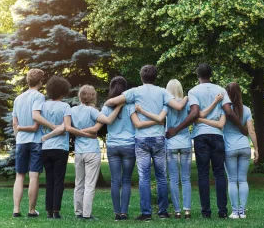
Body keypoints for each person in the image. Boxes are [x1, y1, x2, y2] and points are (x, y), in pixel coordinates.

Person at [105, 65, 188, 221]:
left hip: (141, 139)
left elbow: (111, 102)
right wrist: (187, 97)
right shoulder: (163, 92)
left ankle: (146, 213)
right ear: (155, 77)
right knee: (162, 176)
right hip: (158, 138)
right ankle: (163, 212)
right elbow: (178, 106)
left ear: (141, 77)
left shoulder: (134, 92)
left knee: (144, 177)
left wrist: (123, 102)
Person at [166, 63, 248, 219]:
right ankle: (223, 211)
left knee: (203, 174)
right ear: (211, 75)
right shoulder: (221, 90)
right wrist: (242, 128)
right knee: (219, 173)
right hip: (217, 135)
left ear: (198, 76)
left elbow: (195, 113)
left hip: (200, 136)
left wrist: (176, 129)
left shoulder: (193, 91)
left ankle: (206, 212)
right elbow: (229, 112)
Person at [81, 76, 159, 221]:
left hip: (112, 147)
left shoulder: (106, 107)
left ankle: (117, 213)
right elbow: (137, 124)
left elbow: (100, 124)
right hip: (129, 146)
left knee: (115, 181)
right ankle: (124, 212)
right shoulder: (130, 106)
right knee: (126, 180)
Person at [32, 76, 94, 219]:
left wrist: (47, 136)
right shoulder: (66, 107)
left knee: (49, 180)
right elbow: (66, 127)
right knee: (58, 180)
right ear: (63, 91)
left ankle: (48, 211)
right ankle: (56, 211)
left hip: (46, 148)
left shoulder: (43, 105)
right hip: (60, 148)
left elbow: (40, 121)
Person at [135, 79, 194, 219]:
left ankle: (177, 211)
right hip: (185, 142)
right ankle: (187, 211)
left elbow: (160, 119)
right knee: (186, 178)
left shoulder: (167, 104)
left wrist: (142, 111)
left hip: (171, 143)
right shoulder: (187, 103)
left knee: (173, 179)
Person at [65, 85, 123, 220]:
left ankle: (78, 212)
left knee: (79, 183)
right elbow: (108, 120)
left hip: (78, 151)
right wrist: (119, 107)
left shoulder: (72, 110)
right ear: (92, 97)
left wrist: (80, 132)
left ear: (80, 96)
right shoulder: (92, 111)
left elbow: (69, 128)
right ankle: (86, 214)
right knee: (89, 184)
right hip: (91, 150)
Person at [220, 82, 259, 219]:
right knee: (243, 180)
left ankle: (235, 212)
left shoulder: (224, 109)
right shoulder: (247, 110)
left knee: (232, 180)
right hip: (244, 147)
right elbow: (251, 131)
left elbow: (220, 126)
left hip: (229, 148)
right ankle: (242, 212)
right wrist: (257, 150)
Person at [12, 68, 46, 218]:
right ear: (40, 81)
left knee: (19, 176)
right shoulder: (39, 97)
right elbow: (36, 123)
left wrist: (19, 133)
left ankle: (16, 210)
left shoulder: (18, 99)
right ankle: (32, 211)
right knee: (34, 176)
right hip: (35, 142)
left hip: (21, 142)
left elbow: (15, 124)